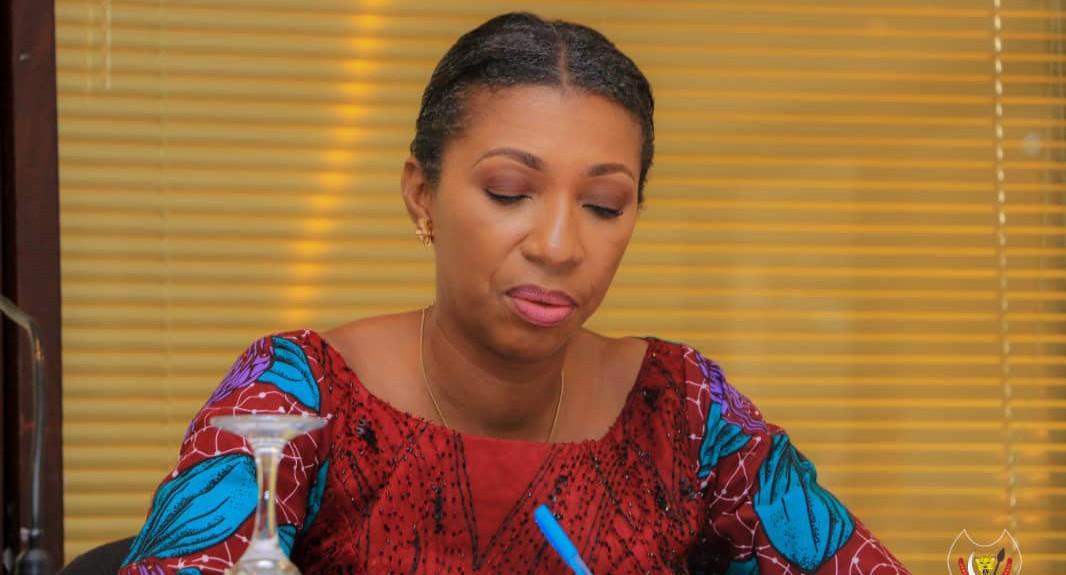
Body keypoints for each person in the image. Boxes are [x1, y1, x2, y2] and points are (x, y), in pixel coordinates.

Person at [117, 12, 910, 575]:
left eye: (604, 205)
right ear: (422, 195)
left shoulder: (686, 411)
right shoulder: (296, 393)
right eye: (508, 191)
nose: (559, 245)